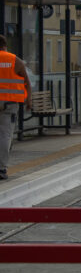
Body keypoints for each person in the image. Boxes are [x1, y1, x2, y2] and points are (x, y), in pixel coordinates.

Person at [0, 35, 32, 180]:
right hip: (9, 105)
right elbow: (26, 82)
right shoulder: (14, 60)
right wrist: (29, 100)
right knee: (5, 135)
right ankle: (1, 168)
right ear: (5, 45)